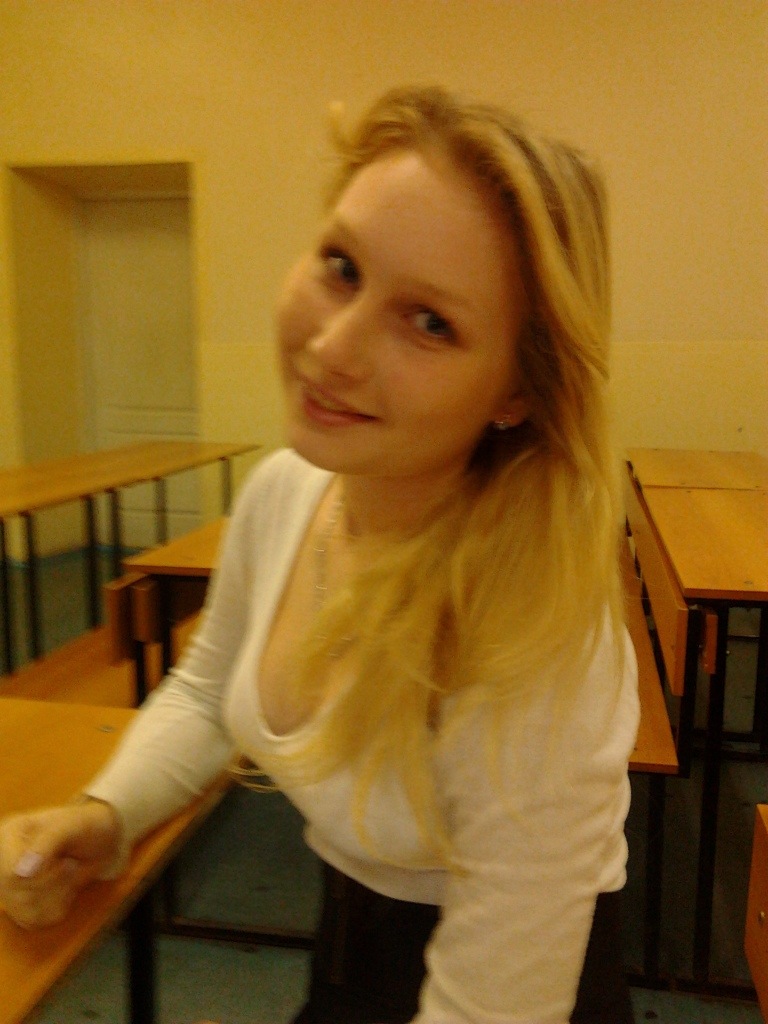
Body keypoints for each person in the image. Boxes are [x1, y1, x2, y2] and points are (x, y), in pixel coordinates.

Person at [0, 85, 639, 1024]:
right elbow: (206, 692)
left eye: (430, 322)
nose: (334, 347)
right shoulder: (288, 493)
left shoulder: (535, 630)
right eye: (342, 267)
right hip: (346, 938)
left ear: (517, 393)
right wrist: (107, 813)